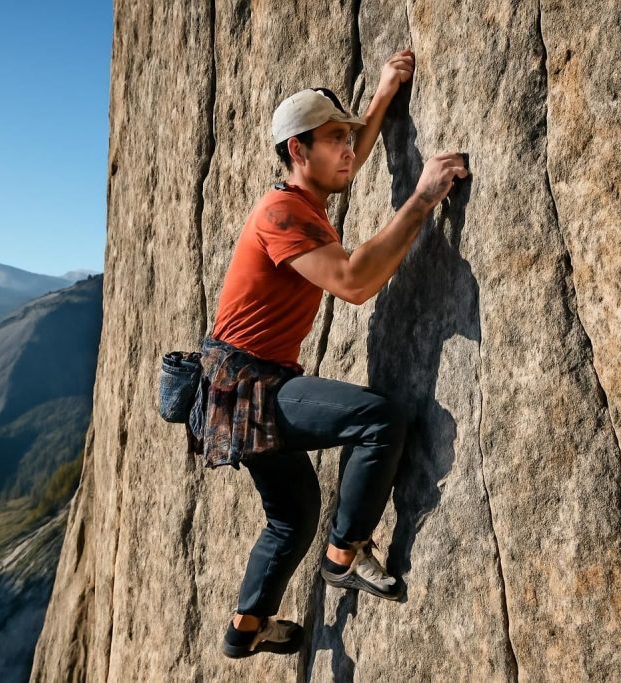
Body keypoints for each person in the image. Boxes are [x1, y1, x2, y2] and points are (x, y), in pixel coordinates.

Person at [188, 50, 469, 659]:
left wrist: (385, 94)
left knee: (292, 518)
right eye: (333, 138)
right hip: (249, 387)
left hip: (237, 388)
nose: (349, 148)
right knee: (379, 418)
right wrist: (421, 199)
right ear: (298, 151)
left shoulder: (303, 193)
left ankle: (245, 630)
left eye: (348, 137)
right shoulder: (281, 213)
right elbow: (352, 283)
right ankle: (344, 555)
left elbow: (351, 160)